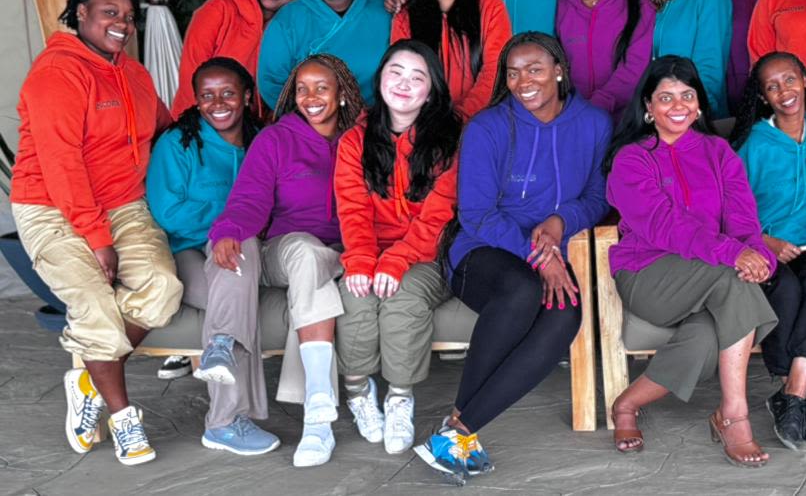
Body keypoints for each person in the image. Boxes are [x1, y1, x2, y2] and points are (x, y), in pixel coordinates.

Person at [417, 32, 609, 483]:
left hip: (550, 245)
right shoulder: (488, 126)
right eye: (513, 71)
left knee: (565, 313)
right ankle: (458, 434)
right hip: (479, 251)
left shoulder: (595, 123)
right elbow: (477, 214)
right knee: (522, 290)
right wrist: (540, 254)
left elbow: (598, 197)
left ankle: (458, 429)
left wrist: (562, 221)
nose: (524, 80)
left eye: (536, 69)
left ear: (559, 70)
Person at [11, 0, 182, 465]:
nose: (122, 24)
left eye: (128, 17)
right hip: (51, 206)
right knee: (95, 307)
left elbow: (163, 125)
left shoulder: (131, 72)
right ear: (80, 14)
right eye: (109, 13)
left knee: (162, 288)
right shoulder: (57, 73)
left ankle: (89, 372)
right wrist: (96, 238)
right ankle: (125, 417)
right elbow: (62, 164)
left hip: (122, 201)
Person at [605, 56, 777, 467]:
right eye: (665, 97)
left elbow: (743, 218)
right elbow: (667, 226)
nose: (678, 105)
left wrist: (760, 255)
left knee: (703, 340)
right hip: (648, 274)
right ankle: (734, 416)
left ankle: (625, 405)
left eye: (687, 95)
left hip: (712, 274)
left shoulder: (718, 151)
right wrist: (737, 256)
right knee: (735, 280)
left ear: (699, 104)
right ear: (648, 107)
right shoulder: (632, 159)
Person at [202, 54, 365, 467]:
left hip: (340, 254)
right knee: (309, 257)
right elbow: (250, 198)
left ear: (342, 94)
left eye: (321, 88)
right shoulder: (276, 139)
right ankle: (317, 406)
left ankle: (318, 422)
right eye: (302, 89)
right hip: (286, 249)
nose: (310, 97)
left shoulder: (363, 139)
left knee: (316, 281)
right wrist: (229, 231)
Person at [146, 58, 282, 455]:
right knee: (237, 279)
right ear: (197, 100)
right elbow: (167, 210)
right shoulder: (179, 142)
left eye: (227, 93)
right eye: (207, 95)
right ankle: (227, 419)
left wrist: (241, 227)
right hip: (188, 249)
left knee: (240, 261)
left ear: (246, 95)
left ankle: (223, 416)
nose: (217, 102)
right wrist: (232, 220)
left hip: (245, 248)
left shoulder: (264, 139)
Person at [334, 41, 461, 455]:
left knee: (403, 296)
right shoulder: (355, 139)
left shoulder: (449, 139)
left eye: (417, 77)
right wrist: (361, 262)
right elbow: (352, 208)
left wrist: (397, 260)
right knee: (355, 293)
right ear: (381, 78)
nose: (404, 84)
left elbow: (439, 216)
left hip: (426, 253)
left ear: (431, 90)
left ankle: (400, 397)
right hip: (370, 247)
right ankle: (357, 390)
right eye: (396, 72)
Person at [730, 52, 806, 449]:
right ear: (763, 97)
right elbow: (731, 208)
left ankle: (793, 395)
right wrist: (765, 240)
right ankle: (795, 395)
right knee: (786, 289)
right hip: (765, 246)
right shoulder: (753, 144)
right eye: (772, 87)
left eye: (790, 80)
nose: (784, 92)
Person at [390, 0, 512, 121]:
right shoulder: (405, 15)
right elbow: (399, 75)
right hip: (423, 127)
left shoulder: (490, 6)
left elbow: (495, 70)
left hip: (481, 123)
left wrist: (460, 118)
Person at [257, 0, 392, 109]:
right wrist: (309, 123)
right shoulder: (288, 18)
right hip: (314, 126)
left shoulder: (384, 7)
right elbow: (271, 82)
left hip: (379, 121)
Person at [171, 0, 308, 118]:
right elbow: (191, 75)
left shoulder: (291, 33)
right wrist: (199, 128)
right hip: (198, 123)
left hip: (250, 131)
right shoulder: (220, 8)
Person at [555, 0, 655, 119]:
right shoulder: (562, 2)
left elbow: (635, 66)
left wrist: (595, 106)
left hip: (624, 120)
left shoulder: (640, 4)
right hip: (570, 116)